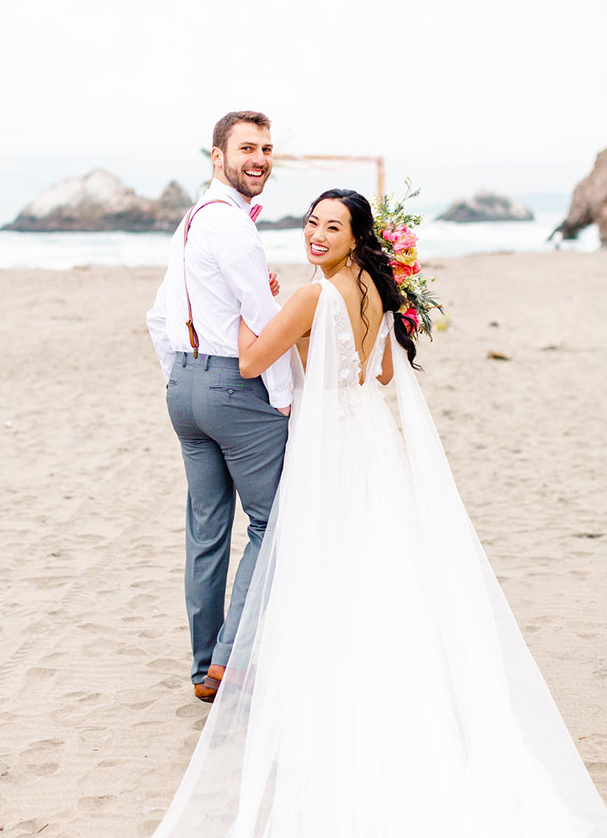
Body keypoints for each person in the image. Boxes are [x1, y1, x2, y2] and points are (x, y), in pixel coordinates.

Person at [150, 190, 607, 837]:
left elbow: (252, 359)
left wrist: (255, 308)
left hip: (327, 446)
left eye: (330, 226)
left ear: (356, 235)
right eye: (310, 222)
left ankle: (337, 700)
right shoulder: (371, 287)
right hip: (369, 437)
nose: (315, 234)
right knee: (379, 562)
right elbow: (385, 371)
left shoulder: (312, 296)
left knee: (327, 563)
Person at [146, 110, 292, 703]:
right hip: (235, 389)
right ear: (217, 156)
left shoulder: (190, 224)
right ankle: (229, 663)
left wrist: (181, 378)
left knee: (207, 533)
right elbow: (263, 315)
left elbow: (157, 317)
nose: (259, 159)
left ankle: (204, 663)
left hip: (185, 389)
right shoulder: (230, 225)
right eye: (247, 148)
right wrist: (282, 398)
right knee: (274, 522)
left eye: (266, 148)